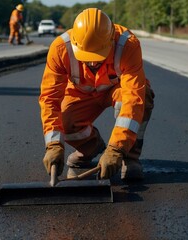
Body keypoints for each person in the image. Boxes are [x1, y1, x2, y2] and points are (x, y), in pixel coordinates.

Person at [39, 8, 155, 180]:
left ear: (111, 40)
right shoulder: (60, 48)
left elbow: (133, 98)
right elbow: (50, 98)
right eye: (86, 56)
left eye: (98, 55)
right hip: (81, 93)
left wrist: (116, 148)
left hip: (116, 90)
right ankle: (91, 147)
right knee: (65, 121)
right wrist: (53, 145)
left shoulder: (128, 45)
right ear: (76, 43)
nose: (93, 61)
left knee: (143, 96)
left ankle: (129, 157)